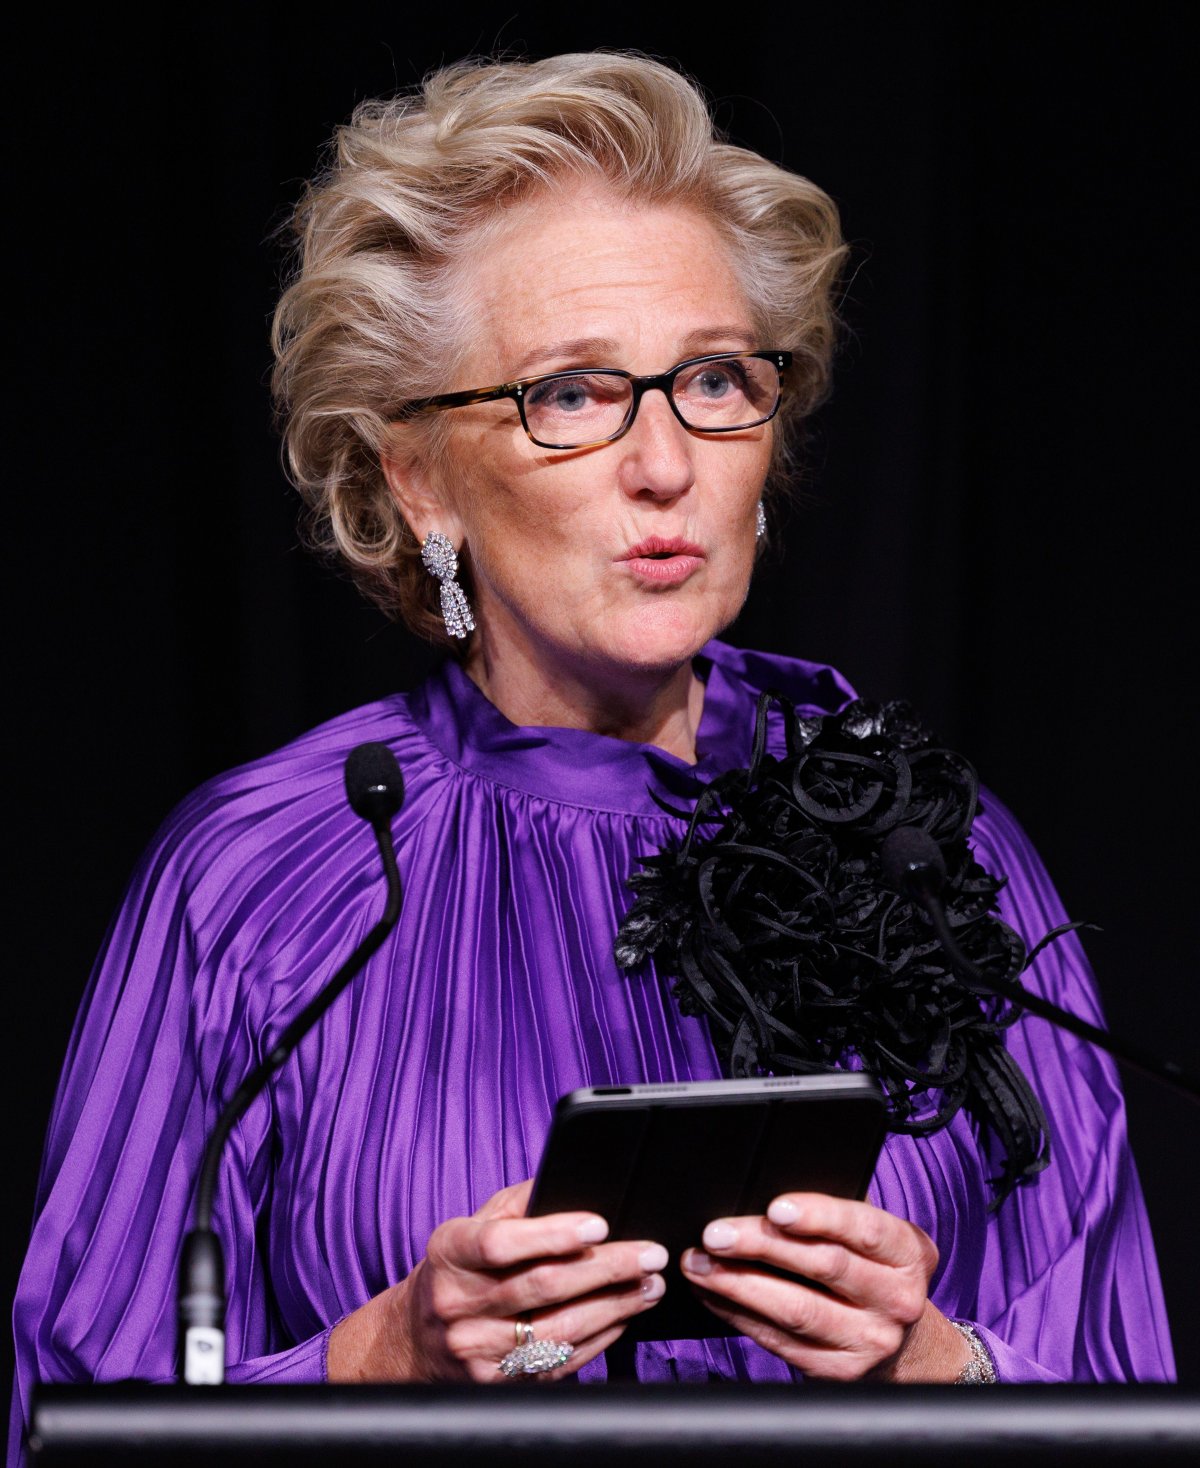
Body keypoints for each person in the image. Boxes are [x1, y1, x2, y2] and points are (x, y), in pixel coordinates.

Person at [10, 50, 1174, 1456]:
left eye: (715, 379)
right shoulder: (265, 875)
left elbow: (1126, 1399)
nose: (665, 464)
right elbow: (75, 1426)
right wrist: (388, 1358)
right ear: (418, 480)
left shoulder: (929, 844)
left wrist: (932, 1366)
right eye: (570, 393)